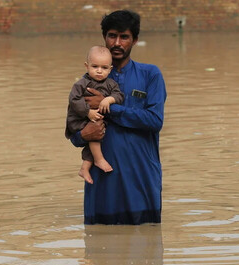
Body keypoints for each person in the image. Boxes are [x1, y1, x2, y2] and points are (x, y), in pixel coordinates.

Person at [68, 10, 167, 225]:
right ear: (104, 37)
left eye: (124, 37)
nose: (117, 43)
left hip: (141, 175)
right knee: (99, 245)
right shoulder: (90, 79)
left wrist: (110, 109)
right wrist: (84, 134)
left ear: (135, 40)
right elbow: (74, 131)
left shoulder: (150, 75)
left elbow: (154, 121)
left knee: (146, 243)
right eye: (112, 35)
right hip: (103, 179)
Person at [65, 46, 125, 185]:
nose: (99, 71)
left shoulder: (110, 84)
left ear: (110, 69)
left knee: (97, 133)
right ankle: (99, 160)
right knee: (95, 131)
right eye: (95, 66)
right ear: (87, 66)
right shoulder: (80, 84)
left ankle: (85, 167)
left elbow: (119, 95)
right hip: (79, 119)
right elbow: (74, 100)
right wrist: (87, 112)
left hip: (95, 119)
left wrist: (108, 99)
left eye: (104, 68)